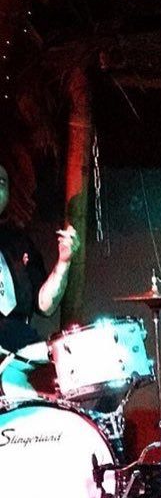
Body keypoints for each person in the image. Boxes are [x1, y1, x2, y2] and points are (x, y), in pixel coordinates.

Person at [0, 161, 80, 394]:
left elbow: (45, 305)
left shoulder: (19, 242)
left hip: (20, 350)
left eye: (1, 183)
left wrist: (64, 262)